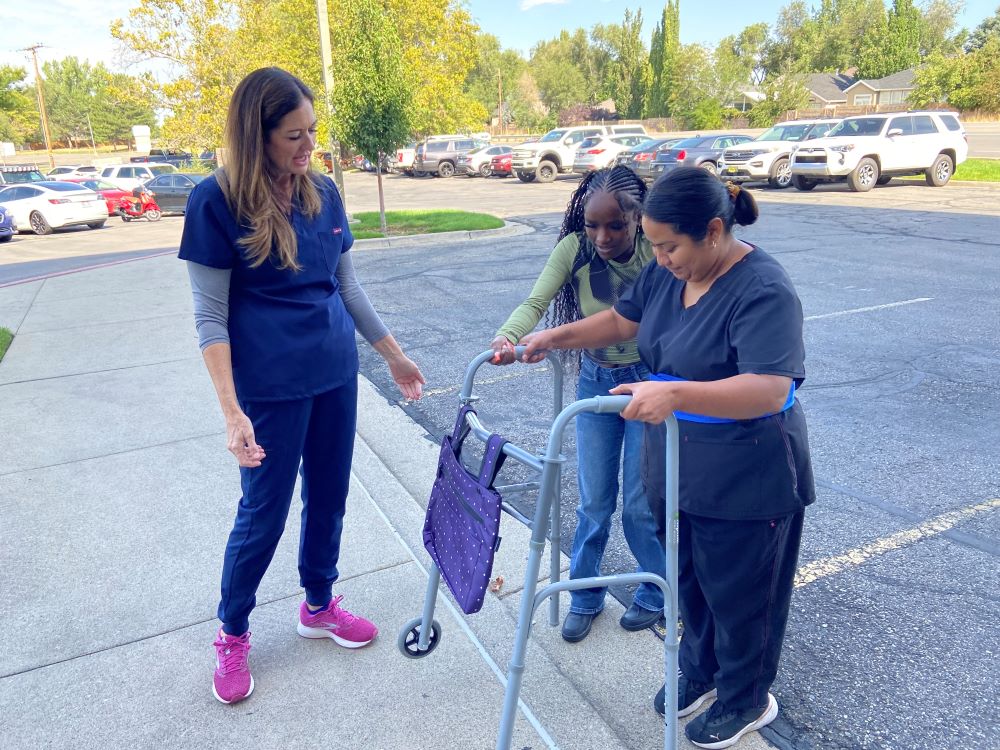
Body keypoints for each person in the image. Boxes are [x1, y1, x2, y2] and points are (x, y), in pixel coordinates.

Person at [520, 167, 814, 749]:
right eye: (653, 244)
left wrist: (673, 392)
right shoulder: (665, 272)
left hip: (747, 471)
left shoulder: (764, 289)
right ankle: (703, 673)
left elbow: (770, 388)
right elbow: (623, 320)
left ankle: (746, 697)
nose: (659, 257)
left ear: (712, 231)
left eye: (669, 245)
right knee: (691, 578)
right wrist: (555, 337)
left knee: (741, 592)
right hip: (678, 463)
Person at [178, 67, 425, 705]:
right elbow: (209, 316)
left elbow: (347, 287)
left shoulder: (324, 194)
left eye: (312, 131)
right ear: (256, 134)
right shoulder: (216, 202)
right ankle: (233, 633)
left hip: (334, 376)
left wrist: (391, 357)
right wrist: (231, 411)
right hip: (270, 387)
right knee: (264, 512)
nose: (308, 145)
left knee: (330, 497)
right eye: (294, 134)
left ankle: (318, 603)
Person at [490, 165, 665, 643]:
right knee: (593, 500)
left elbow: (642, 316)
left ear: (638, 220)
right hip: (596, 380)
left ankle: (655, 591)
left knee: (639, 504)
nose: (602, 236)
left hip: (647, 382)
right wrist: (509, 335)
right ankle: (585, 594)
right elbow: (535, 301)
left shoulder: (656, 251)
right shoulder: (575, 249)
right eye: (592, 224)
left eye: (616, 225)